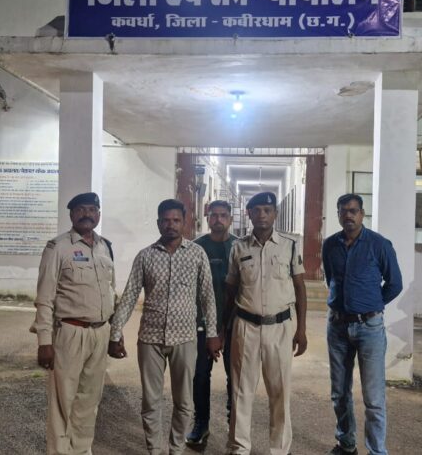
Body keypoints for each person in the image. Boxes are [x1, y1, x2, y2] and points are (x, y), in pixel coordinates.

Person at [108, 199, 221, 455]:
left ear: (184, 222)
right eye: (166, 220)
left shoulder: (197, 254)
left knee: (184, 401)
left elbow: (207, 297)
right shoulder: (145, 256)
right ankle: (155, 450)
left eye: (176, 220)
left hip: (185, 338)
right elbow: (129, 296)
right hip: (151, 339)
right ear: (159, 223)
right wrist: (115, 333)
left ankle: (176, 449)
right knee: (151, 401)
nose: (171, 225)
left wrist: (212, 334)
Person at [31, 192, 117, 455]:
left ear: (98, 214)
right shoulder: (57, 248)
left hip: (100, 333)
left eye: (92, 209)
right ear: (71, 214)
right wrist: (44, 342)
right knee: (62, 401)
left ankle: (81, 450)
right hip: (70, 332)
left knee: (89, 400)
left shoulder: (105, 247)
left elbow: (111, 292)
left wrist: (115, 333)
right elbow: (44, 298)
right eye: (80, 209)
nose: (86, 214)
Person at [223, 191, 307, 455]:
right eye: (257, 210)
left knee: (280, 391)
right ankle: (239, 447)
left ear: (275, 214)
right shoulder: (238, 248)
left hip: (280, 327)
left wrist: (301, 330)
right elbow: (230, 291)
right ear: (249, 214)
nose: (262, 215)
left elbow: (300, 288)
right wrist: (223, 329)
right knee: (241, 390)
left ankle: (280, 448)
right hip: (245, 326)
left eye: (267, 210)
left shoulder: (289, 246)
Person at [321, 194, 403, 455]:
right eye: (343, 211)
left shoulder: (379, 244)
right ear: (338, 214)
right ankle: (346, 444)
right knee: (339, 392)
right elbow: (331, 279)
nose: (349, 215)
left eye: (353, 211)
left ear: (362, 214)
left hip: (370, 328)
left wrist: (372, 305)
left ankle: (377, 451)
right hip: (337, 327)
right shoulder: (329, 245)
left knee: (373, 397)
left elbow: (395, 283)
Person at [186, 200, 238, 447]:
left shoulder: (239, 246)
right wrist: (209, 329)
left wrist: (225, 327)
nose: (218, 219)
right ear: (207, 219)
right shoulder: (196, 248)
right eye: (214, 215)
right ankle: (201, 423)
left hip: (235, 323)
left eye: (223, 215)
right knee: (199, 375)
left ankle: (234, 423)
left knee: (235, 376)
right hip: (202, 323)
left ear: (230, 219)